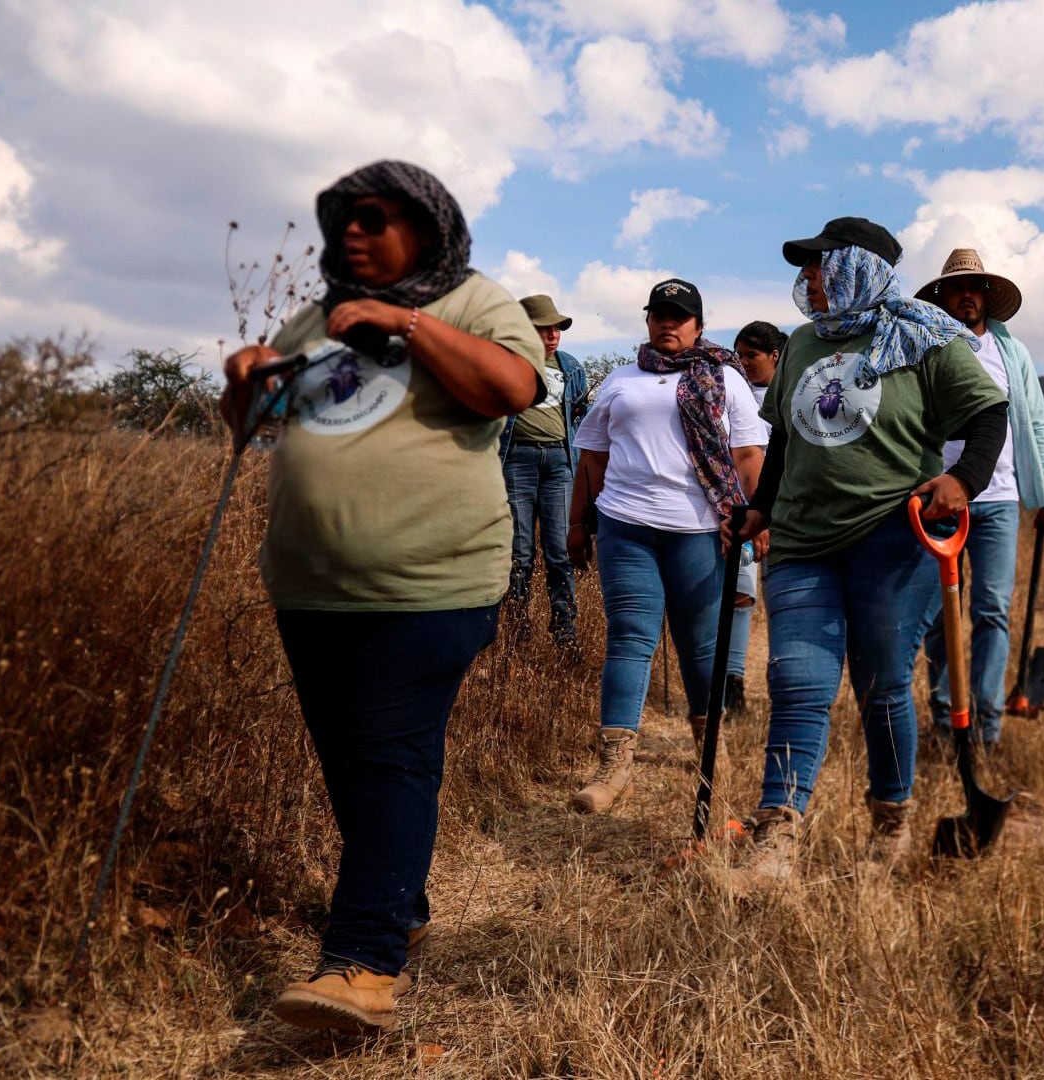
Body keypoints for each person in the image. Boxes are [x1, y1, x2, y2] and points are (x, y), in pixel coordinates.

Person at [219, 160, 543, 1033]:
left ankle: (361, 965)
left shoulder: (472, 299)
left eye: (372, 217)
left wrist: (404, 320)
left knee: (389, 754)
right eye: (340, 222)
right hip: (311, 586)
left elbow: (512, 390)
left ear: (427, 226)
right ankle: (399, 899)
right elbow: (256, 427)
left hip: (431, 584)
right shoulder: (316, 317)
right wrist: (245, 378)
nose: (351, 234)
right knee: (350, 760)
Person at [726, 217, 1007, 882]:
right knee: (798, 679)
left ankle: (889, 825)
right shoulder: (799, 344)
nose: (808, 280)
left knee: (882, 686)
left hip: (892, 536)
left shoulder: (926, 335)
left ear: (857, 267)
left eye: (820, 266)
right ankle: (776, 836)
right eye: (806, 269)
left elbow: (988, 413)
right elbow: (787, 441)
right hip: (801, 540)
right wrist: (761, 506)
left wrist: (963, 481)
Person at [566, 279, 768, 814]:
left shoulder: (727, 378)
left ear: (699, 326)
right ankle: (614, 766)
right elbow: (592, 459)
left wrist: (756, 516)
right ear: (648, 320)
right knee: (629, 637)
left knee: (701, 649)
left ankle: (710, 749)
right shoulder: (620, 381)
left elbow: (748, 454)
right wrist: (576, 525)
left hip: (701, 531)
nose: (668, 323)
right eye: (659, 314)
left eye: (679, 316)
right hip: (626, 527)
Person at [912, 249, 1044, 747]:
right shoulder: (924, 349)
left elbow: (1035, 420)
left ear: (987, 298)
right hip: (938, 496)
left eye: (975, 288)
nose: (966, 296)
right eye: (956, 288)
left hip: (1000, 496)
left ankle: (986, 728)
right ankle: (947, 716)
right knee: (936, 611)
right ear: (942, 297)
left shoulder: (1011, 353)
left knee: (992, 609)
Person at [499, 294, 587, 645]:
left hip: (559, 464)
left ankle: (565, 630)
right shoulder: (508, 363)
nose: (552, 335)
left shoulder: (571, 367)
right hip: (516, 461)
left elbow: (579, 417)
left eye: (556, 328)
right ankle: (517, 631)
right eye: (543, 329)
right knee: (519, 552)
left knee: (559, 550)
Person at [721, 320, 788, 713]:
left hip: (790, 507)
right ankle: (733, 683)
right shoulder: (731, 392)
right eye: (739, 355)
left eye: (752, 355)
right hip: (746, 505)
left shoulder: (792, 392)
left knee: (783, 596)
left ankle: (784, 682)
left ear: (774, 356)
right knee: (740, 594)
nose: (744, 362)